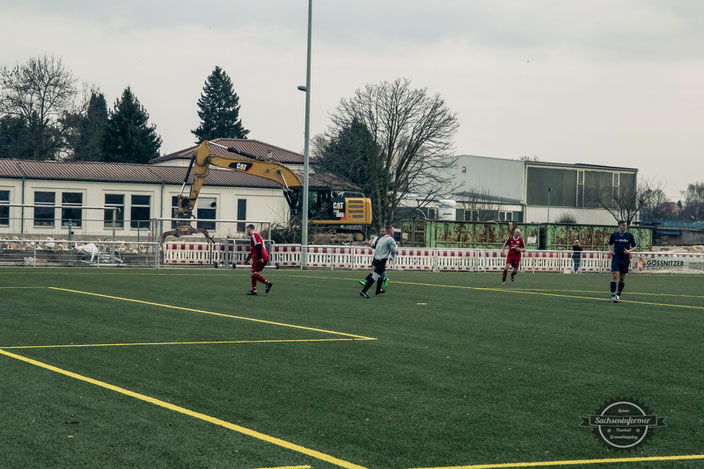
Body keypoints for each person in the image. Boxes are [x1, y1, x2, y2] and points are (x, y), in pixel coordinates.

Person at [360, 225, 398, 298]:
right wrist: (396, 247)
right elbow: (393, 250)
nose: (394, 232)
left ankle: (378, 290)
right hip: (382, 260)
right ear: (391, 231)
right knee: (375, 277)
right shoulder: (391, 239)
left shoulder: (381, 238)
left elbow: (375, 247)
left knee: (382, 275)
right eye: (393, 230)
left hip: (376, 259)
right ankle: (363, 291)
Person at [607, 220, 637, 303]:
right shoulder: (614, 235)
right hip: (616, 258)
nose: (625, 227)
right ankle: (613, 296)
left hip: (625, 259)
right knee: (615, 275)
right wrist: (610, 251)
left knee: (622, 278)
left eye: (625, 225)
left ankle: (618, 294)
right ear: (619, 226)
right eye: (623, 225)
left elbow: (635, 246)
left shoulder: (629, 235)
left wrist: (629, 251)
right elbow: (609, 244)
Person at [243, 224, 273, 295]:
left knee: (253, 273)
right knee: (254, 272)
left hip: (260, 257)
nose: (247, 232)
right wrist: (247, 259)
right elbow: (254, 249)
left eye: (247, 230)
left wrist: (260, 257)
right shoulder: (256, 236)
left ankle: (267, 283)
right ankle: (254, 290)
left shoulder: (254, 235)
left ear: (249, 229)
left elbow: (258, 246)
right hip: (263, 256)